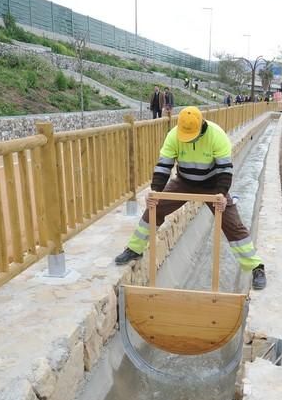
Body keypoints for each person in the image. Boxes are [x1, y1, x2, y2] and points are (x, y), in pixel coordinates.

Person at [114, 106, 266, 290]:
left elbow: (225, 170)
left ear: (201, 125)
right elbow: (163, 166)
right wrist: (155, 192)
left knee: (231, 223)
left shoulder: (217, 136)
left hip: (212, 184)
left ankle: (256, 266)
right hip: (184, 182)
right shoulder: (174, 135)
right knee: (156, 207)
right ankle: (135, 249)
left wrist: (221, 194)